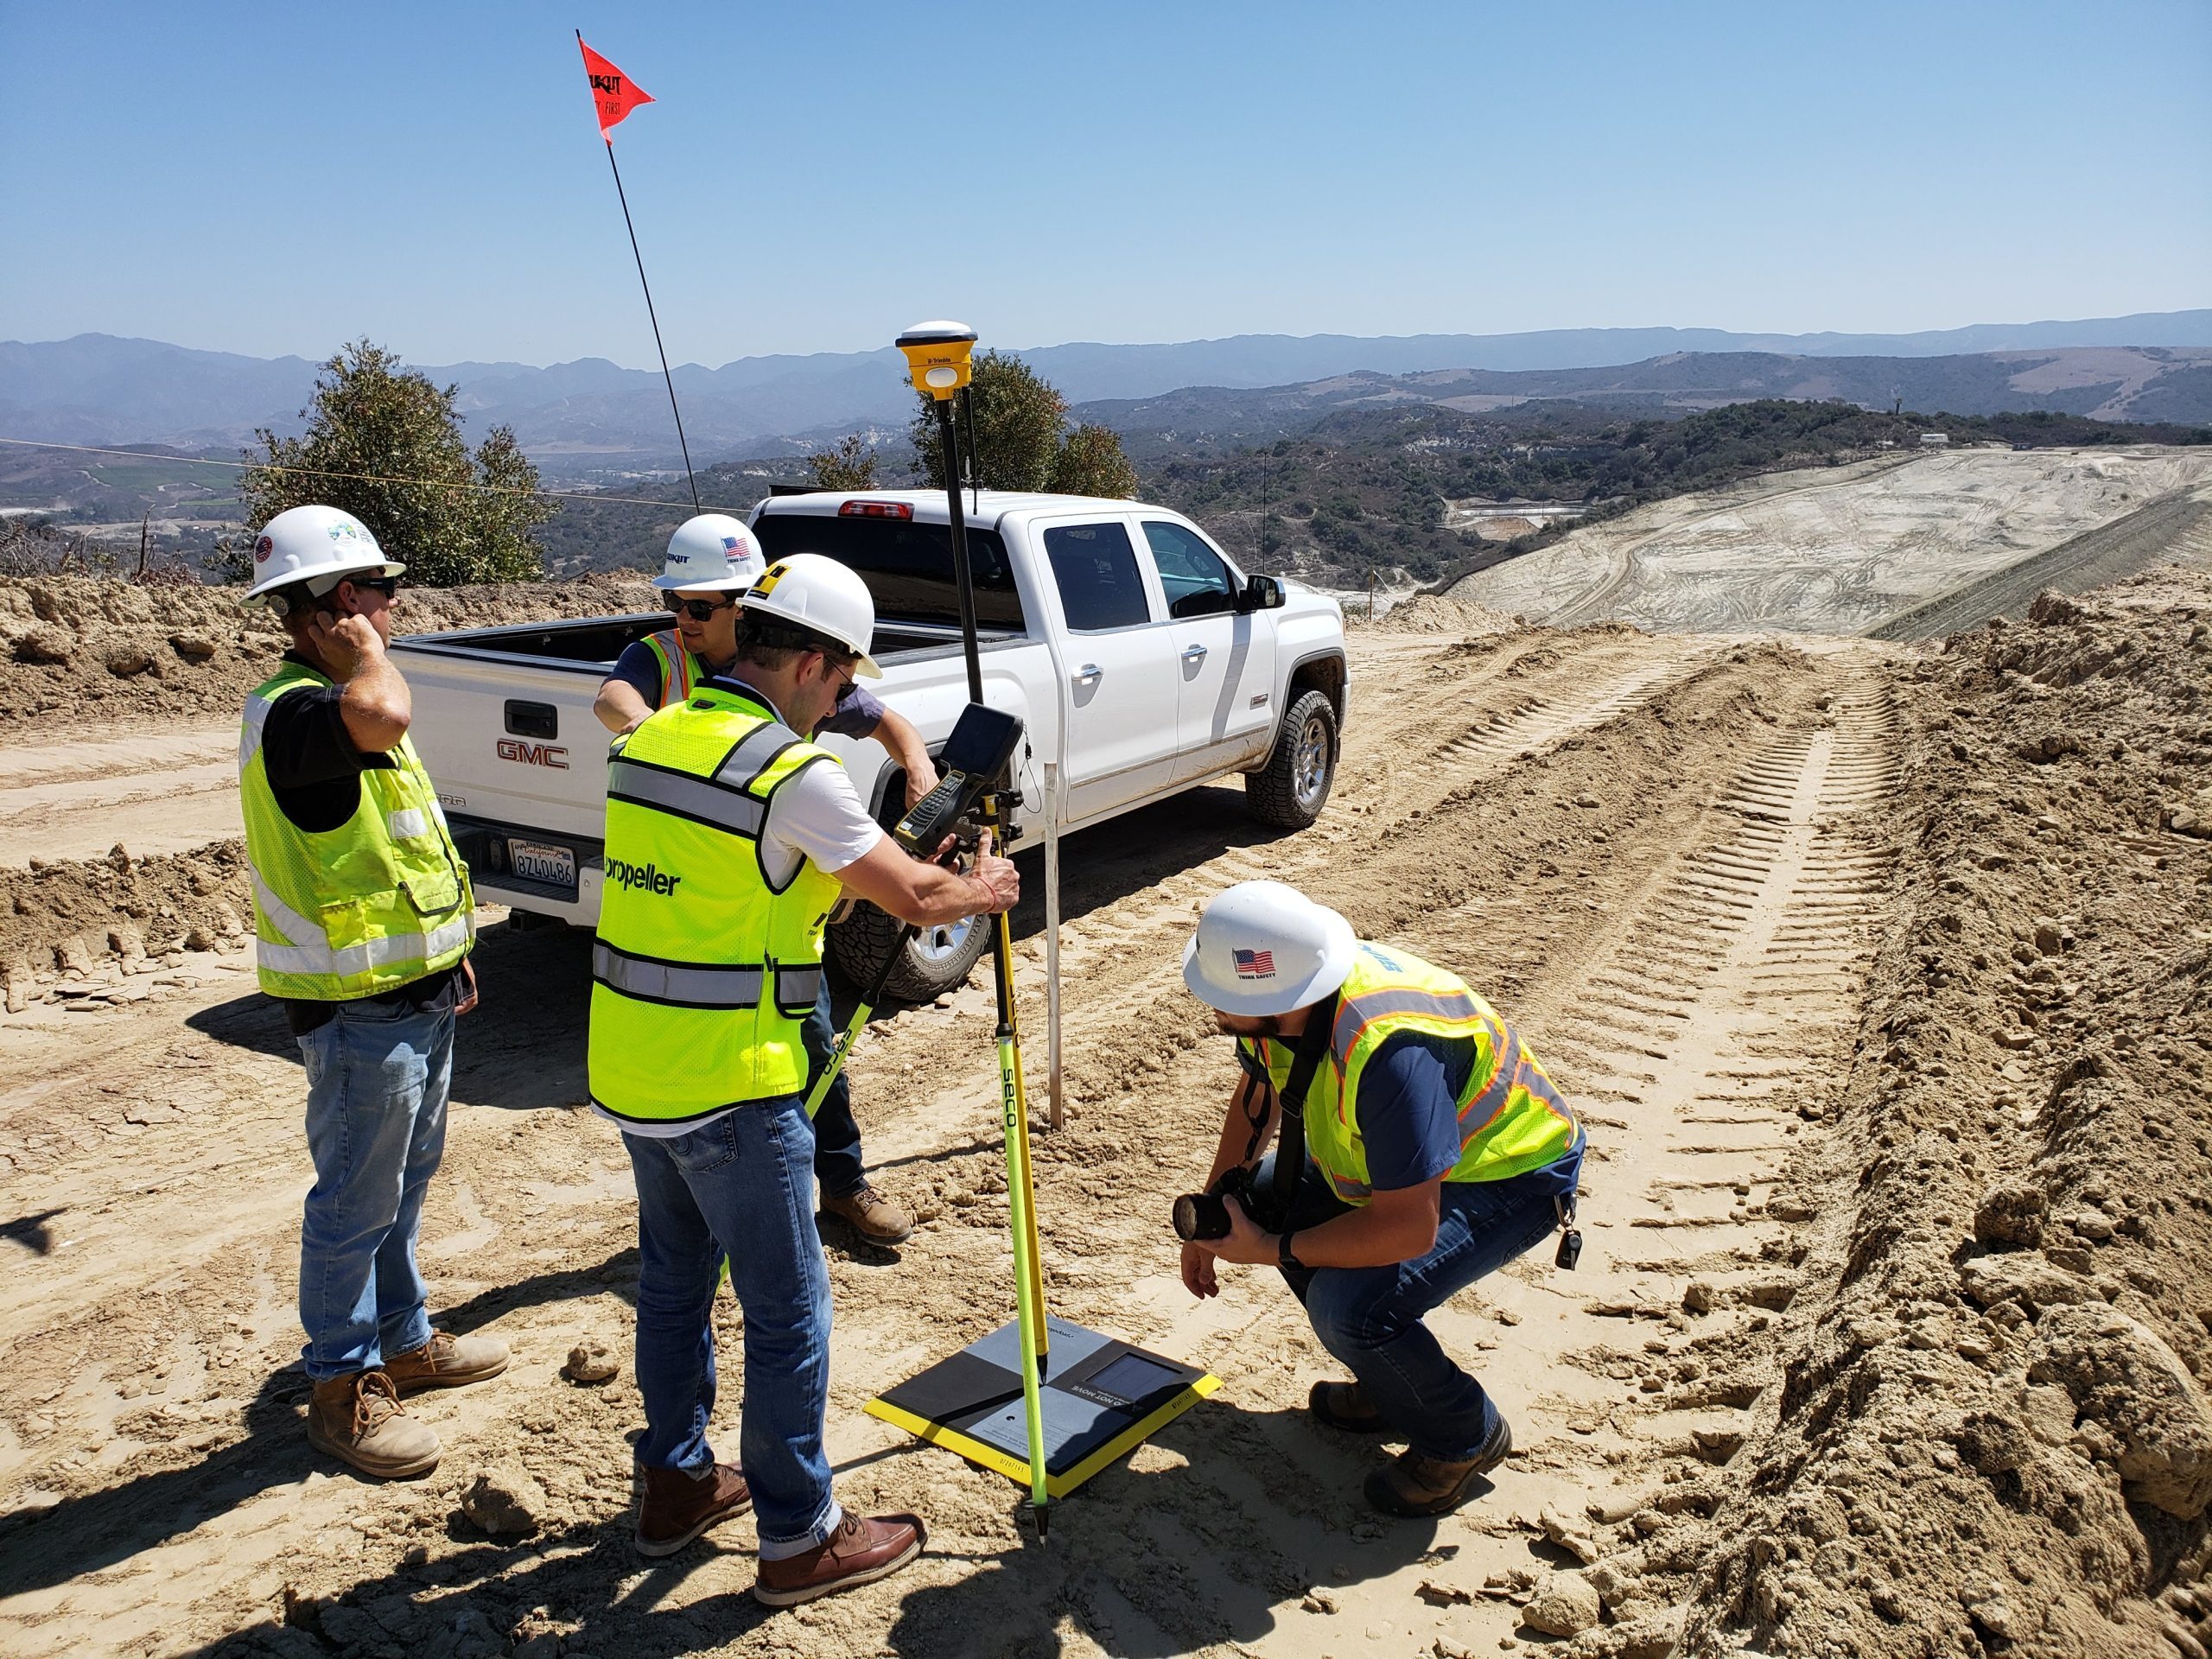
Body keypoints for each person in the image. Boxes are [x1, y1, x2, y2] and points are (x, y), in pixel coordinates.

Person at [587, 552, 1020, 1601]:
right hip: (733, 1083)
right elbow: (914, 896)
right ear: (815, 665)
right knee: (786, 1311)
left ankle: (677, 1484)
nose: (839, 704)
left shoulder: (653, 735)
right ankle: (799, 1534)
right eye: (842, 680)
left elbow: (734, 877)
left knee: (675, 1287)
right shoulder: (791, 774)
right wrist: (984, 887)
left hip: (636, 1065)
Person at [237, 505, 508, 1480]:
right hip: (355, 1012)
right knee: (354, 1202)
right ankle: (341, 1389)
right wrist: (366, 654)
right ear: (342, 601)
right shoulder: (302, 713)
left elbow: (398, 849)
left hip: (413, 991)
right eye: (381, 593)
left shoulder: (337, 702)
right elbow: (387, 714)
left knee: (403, 1181)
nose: (395, 607)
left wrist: (447, 951)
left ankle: (405, 1340)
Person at [1177, 880, 1584, 1517]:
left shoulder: (1392, 1052)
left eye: (1222, 999)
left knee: (1350, 1309)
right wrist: (1213, 1212)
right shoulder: (1288, 997)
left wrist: (1271, 1248)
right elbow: (1257, 1097)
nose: (1211, 1008)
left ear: (1276, 999)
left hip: (1509, 1174)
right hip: (1410, 1166)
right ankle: (1395, 1385)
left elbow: (1407, 1230)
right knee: (1257, 1199)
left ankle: (1463, 1435)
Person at [594, 514, 938, 1249]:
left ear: (745, 608)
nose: (684, 618)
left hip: (778, 908)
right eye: (676, 602)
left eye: (701, 605)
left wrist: (916, 764)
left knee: (813, 1045)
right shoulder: (660, 657)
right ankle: (732, 1205)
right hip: (702, 900)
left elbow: (885, 721)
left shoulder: (798, 668)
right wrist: (672, 742)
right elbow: (614, 703)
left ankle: (842, 1185)